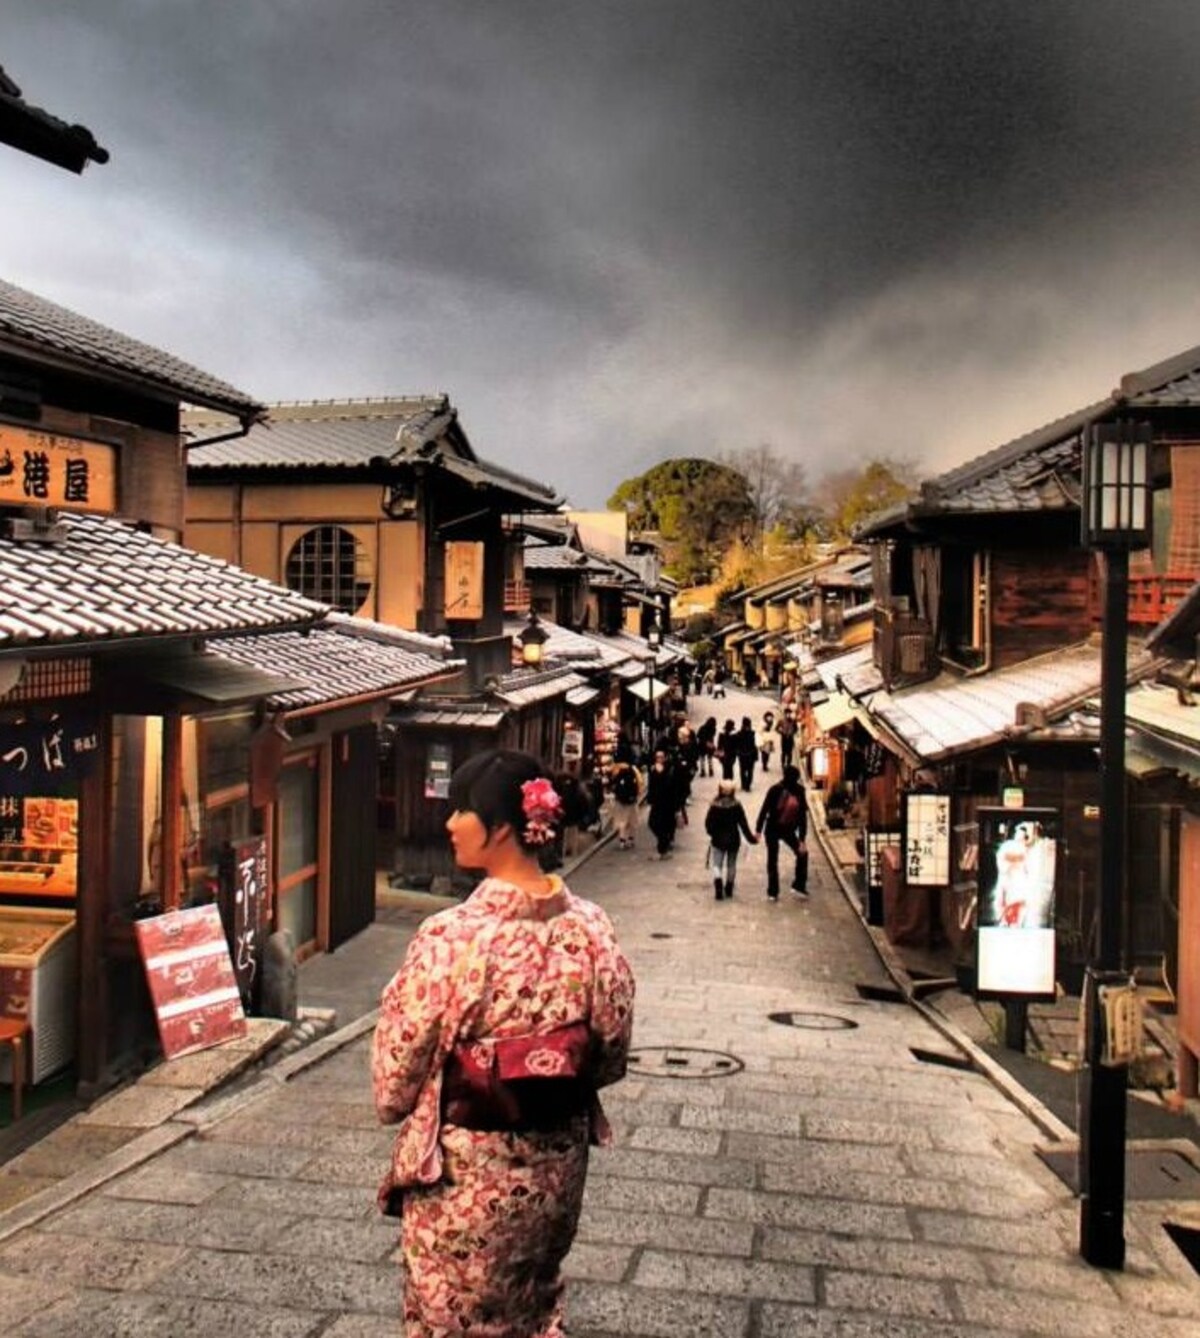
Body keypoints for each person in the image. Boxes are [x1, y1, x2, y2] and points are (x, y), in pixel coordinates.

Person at [372, 749, 635, 1337]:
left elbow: (394, 1083)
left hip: (465, 1178)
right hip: (554, 1171)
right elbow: (611, 1054)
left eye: (461, 810)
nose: (448, 822)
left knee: (453, 1315)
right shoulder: (591, 929)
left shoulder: (451, 938)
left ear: (500, 829)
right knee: (534, 1305)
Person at [755, 763, 809, 901]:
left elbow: (764, 810)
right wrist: (802, 839)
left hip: (772, 827)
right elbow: (803, 817)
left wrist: (758, 830)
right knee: (802, 854)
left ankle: (773, 892)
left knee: (772, 859)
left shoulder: (774, 789)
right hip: (788, 828)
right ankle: (798, 885)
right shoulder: (799, 791)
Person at [704, 779, 759, 899]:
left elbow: (708, 823)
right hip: (733, 839)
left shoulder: (715, 805)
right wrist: (752, 839)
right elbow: (743, 825)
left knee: (717, 864)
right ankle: (729, 887)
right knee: (731, 864)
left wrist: (712, 833)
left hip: (718, 839)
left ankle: (718, 884)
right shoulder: (737, 805)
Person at [645, 748, 678, 859]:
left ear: (665, 758)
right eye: (657, 757)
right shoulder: (653, 769)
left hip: (667, 802)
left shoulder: (670, 769)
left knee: (664, 825)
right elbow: (651, 786)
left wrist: (661, 772)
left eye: (661, 757)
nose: (659, 759)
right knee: (652, 823)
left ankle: (662, 850)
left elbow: (671, 786)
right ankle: (663, 845)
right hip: (656, 802)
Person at [609, 758, 641, 850]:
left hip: (620, 801)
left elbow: (613, 785)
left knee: (622, 821)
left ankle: (622, 841)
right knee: (632, 821)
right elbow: (639, 784)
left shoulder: (617, 770)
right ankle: (631, 840)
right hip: (631, 801)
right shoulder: (633, 771)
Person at [734, 715, 758, 792]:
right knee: (746, 771)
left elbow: (754, 745)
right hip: (747, 754)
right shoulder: (751, 733)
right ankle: (746, 784)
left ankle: (746, 784)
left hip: (746, 755)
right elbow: (754, 745)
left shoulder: (741, 733)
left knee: (746, 771)